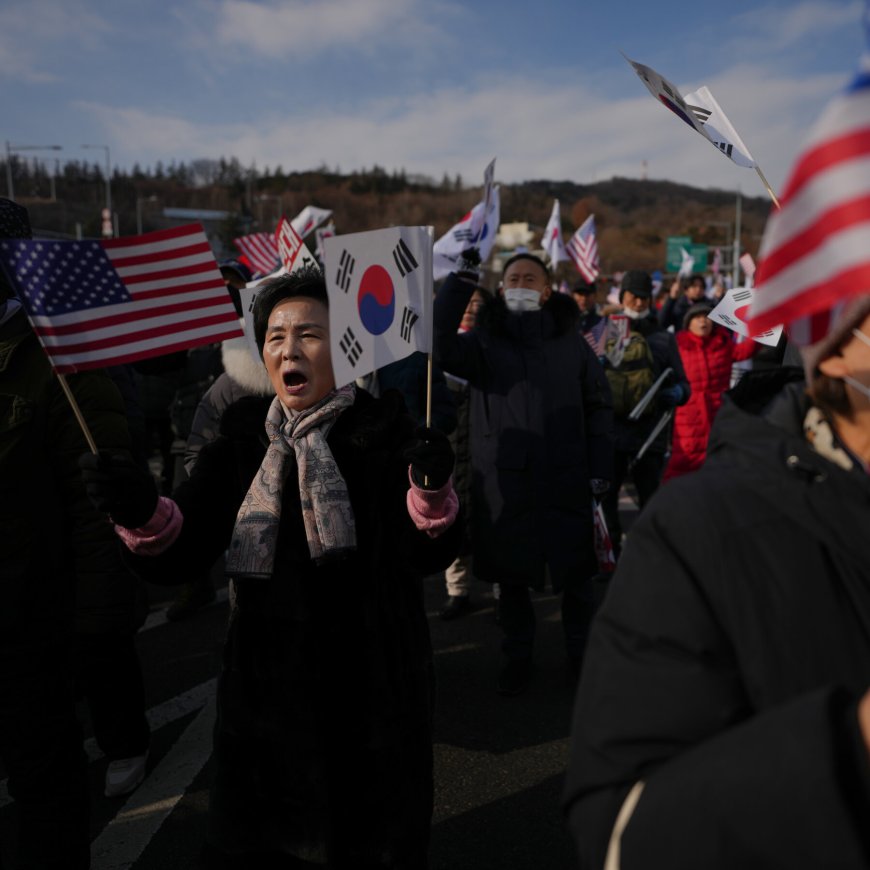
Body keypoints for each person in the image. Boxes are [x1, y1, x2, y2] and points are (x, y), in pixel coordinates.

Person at [80, 265, 461, 868]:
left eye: (308, 333)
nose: (289, 348)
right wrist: (139, 507)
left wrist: (432, 487)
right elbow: (184, 544)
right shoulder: (239, 443)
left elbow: (425, 552)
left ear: (343, 348)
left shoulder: (385, 431)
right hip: (265, 710)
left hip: (374, 702)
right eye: (276, 335)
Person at [562, 296, 870, 869]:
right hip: (691, 454)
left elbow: (753, 347)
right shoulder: (695, 534)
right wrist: (849, 746)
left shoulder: (733, 347)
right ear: (834, 347)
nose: (706, 323)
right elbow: (619, 835)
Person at [0, 198, 136, 868]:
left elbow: (96, 507)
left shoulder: (61, 356)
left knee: (43, 781)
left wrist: (98, 621)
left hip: (31, 618)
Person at [434, 250, 614, 695]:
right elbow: (437, 345)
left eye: (529, 277)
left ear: (547, 289)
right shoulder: (482, 341)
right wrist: (460, 281)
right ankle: (518, 656)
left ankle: (582, 655)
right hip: (505, 480)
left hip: (566, 474)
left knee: (576, 577)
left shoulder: (570, 341)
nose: (520, 283)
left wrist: (600, 468)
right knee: (511, 579)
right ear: (499, 287)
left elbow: (598, 405)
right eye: (512, 277)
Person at [599, 270, 690, 558]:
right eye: (632, 297)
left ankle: (650, 553)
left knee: (650, 497)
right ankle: (610, 551)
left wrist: (677, 393)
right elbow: (587, 379)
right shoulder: (606, 331)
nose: (638, 302)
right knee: (606, 498)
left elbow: (684, 384)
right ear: (622, 297)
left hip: (651, 434)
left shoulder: (664, 337)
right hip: (612, 432)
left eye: (643, 297)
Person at [662, 303, 757, 481]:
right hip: (689, 414)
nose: (703, 321)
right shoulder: (678, 346)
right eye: (697, 317)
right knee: (683, 462)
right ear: (688, 323)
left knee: (718, 461)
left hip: (718, 410)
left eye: (706, 317)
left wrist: (760, 333)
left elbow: (744, 351)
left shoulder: (723, 343)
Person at [439, 288, 485, 621]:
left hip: (486, 449)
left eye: (477, 304)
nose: (469, 309)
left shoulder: (493, 348)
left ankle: (501, 589)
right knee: (451, 518)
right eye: (464, 302)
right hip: (451, 447)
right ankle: (458, 591)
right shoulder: (437, 352)